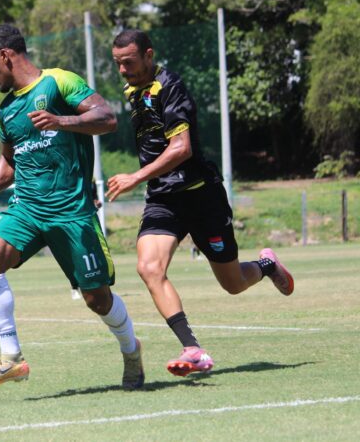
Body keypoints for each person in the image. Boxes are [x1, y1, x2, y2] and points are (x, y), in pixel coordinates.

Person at [107, 29, 295, 377]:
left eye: (129, 62)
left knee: (233, 283)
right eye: (118, 64)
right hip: (163, 197)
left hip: (200, 194)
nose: (123, 70)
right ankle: (192, 349)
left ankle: (267, 266)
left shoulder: (171, 86)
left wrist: (135, 177)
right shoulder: (134, 90)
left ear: (148, 55)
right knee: (149, 268)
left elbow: (182, 149)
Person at [0, 24, 143, 390]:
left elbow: (108, 119)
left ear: (6, 56)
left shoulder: (59, 82)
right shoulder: (6, 110)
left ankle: (131, 349)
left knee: (97, 299)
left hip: (71, 211)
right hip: (27, 207)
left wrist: (61, 120)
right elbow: (10, 160)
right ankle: (10, 357)